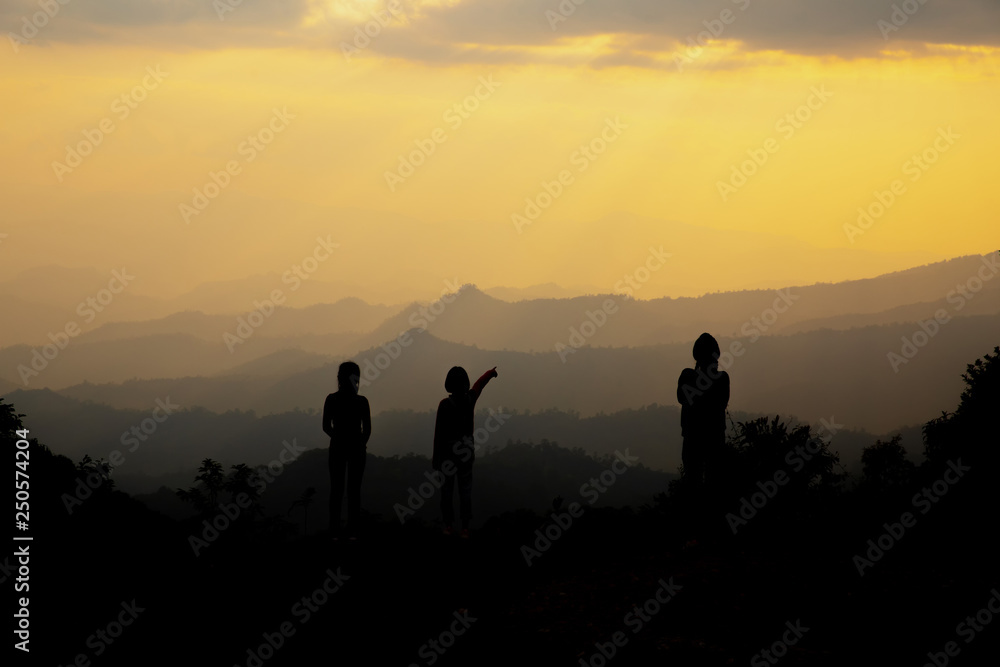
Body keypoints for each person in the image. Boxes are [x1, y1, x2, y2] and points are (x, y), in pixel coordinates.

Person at [433, 365, 498, 538]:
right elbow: (479, 384)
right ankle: (465, 528)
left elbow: (438, 434)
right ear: (465, 384)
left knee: (447, 491)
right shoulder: (470, 399)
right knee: (465, 491)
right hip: (466, 454)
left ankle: (448, 526)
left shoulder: (445, 405)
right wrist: (490, 374)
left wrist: (436, 458)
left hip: (447, 455)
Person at [322, 361, 371, 540]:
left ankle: (334, 531)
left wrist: (338, 437)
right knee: (353, 491)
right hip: (357, 449)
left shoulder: (332, 399)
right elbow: (367, 430)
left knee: (337, 490)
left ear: (339, 378)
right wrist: (360, 443)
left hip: (338, 448)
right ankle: (352, 531)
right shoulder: (361, 402)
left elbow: (326, 426)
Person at [677, 333, 730, 490]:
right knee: (713, 483)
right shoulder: (721, 379)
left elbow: (682, 398)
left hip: (694, 438)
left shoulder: (688, 376)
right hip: (713, 438)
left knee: (693, 482)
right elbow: (721, 403)